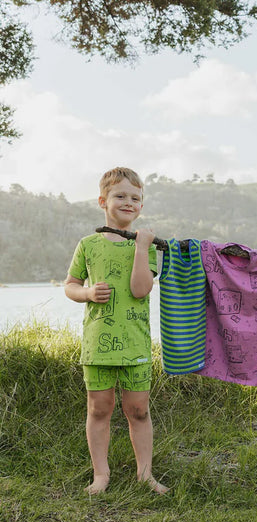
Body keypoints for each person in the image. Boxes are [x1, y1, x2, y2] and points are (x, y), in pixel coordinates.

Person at [64, 167, 168, 495]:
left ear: (142, 205)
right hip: (98, 345)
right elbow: (70, 285)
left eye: (135, 198)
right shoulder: (88, 244)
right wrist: (87, 294)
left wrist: (141, 247)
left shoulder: (146, 246)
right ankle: (101, 475)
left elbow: (140, 289)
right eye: (120, 195)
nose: (128, 202)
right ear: (102, 201)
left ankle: (145, 474)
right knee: (99, 409)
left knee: (138, 410)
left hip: (135, 343)